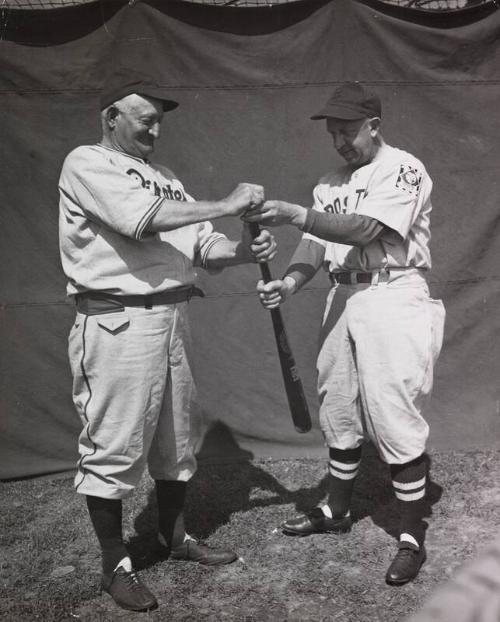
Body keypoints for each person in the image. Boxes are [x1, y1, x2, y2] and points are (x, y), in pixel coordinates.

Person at [58, 73, 276, 612]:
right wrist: (226, 202)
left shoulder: (168, 178)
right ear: (112, 117)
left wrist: (247, 252)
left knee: (177, 442)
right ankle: (116, 566)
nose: (156, 128)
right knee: (112, 448)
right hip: (116, 323)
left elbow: (203, 247)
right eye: (145, 118)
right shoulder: (87, 162)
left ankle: (175, 538)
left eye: (160, 119)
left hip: (172, 318)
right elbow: (140, 220)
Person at [244, 82, 445, 585]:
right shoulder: (330, 181)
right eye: (334, 133)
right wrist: (289, 283)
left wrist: (294, 213)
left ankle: (411, 534)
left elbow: (362, 230)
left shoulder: (403, 167)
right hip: (344, 293)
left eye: (348, 131)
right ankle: (335, 510)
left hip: (393, 291)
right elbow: (315, 244)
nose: (340, 141)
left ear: (373, 125)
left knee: (392, 410)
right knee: (337, 403)